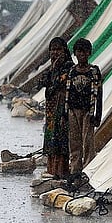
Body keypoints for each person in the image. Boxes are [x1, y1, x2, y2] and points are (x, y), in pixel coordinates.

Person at [65, 38, 102, 175]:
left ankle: (87, 171)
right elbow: (67, 94)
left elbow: (99, 93)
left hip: (88, 110)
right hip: (73, 110)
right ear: (75, 53)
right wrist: (65, 113)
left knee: (87, 142)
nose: (82, 55)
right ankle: (75, 170)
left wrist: (98, 114)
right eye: (79, 52)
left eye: (85, 52)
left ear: (89, 53)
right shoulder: (71, 72)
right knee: (74, 142)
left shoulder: (94, 71)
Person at [39, 37, 74, 178]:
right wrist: (53, 69)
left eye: (58, 49)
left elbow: (58, 83)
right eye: (53, 50)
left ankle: (61, 171)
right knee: (51, 137)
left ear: (64, 51)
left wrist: (54, 72)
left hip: (63, 107)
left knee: (61, 137)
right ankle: (51, 169)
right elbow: (41, 82)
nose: (55, 53)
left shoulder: (69, 67)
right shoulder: (52, 67)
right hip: (51, 109)